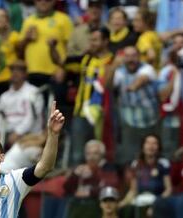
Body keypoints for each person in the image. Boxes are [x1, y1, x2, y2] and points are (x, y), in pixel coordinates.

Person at [105, 46, 160, 165]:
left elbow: (141, 80)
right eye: (127, 56)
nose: (131, 59)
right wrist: (113, 67)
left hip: (150, 122)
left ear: (139, 57)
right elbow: (108, 86)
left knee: (150, 155)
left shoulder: (147, 68)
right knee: (129, 156)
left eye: (134, 56)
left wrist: (132, 86)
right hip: (129, 121)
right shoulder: (120, 72)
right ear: (123, 58)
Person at [71, 27, 114, 164]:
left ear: (106, 41)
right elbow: (62, 63)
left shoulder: (112, 61)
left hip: (101, 115)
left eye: (95, 40)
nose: (91, 44)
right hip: (80, 111)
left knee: (99, 153)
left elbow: (109, 87)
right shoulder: (86, 59)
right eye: (91, 40)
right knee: (77, 154)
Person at [0, 59, 44, 146]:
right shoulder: (4, 96)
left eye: (19, 70)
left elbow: (32, 118)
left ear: (25, 74)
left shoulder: (34, 92)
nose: (15, 73)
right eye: (13, 70)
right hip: (6, 135)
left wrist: (18, 133)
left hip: (30, 135)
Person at [118, 134, 172, 217]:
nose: (151, 146)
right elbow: (133, 190)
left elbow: (168, 190)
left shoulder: (163, 163)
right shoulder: (136, 164)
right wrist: (122, 203)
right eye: (148, 143)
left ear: (159, 147)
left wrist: (156, 205)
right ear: (143, 146)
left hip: (158, 201)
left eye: (154, 143)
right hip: (140, 201)